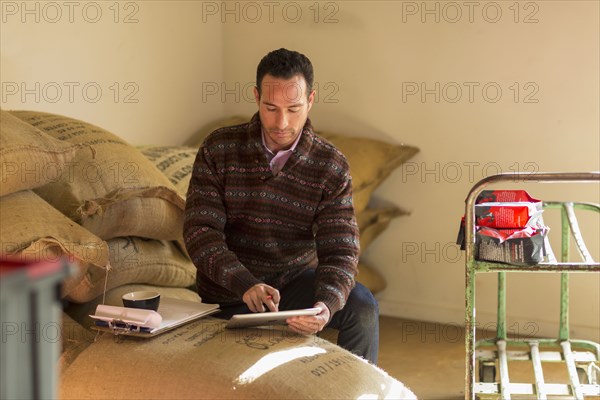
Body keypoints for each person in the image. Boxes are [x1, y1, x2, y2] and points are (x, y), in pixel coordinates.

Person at [183, 48, 379, 364]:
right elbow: (200, 233)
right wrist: (244, 283)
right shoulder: (218, 149)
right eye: (270, 108)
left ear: (311, 100)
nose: (281, 122)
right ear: (256, 96)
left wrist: (325, 306)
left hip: (294, 288)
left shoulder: (331, 165)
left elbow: (341, 250)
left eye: (294, 108)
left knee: (362, 307)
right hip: (230, 292)